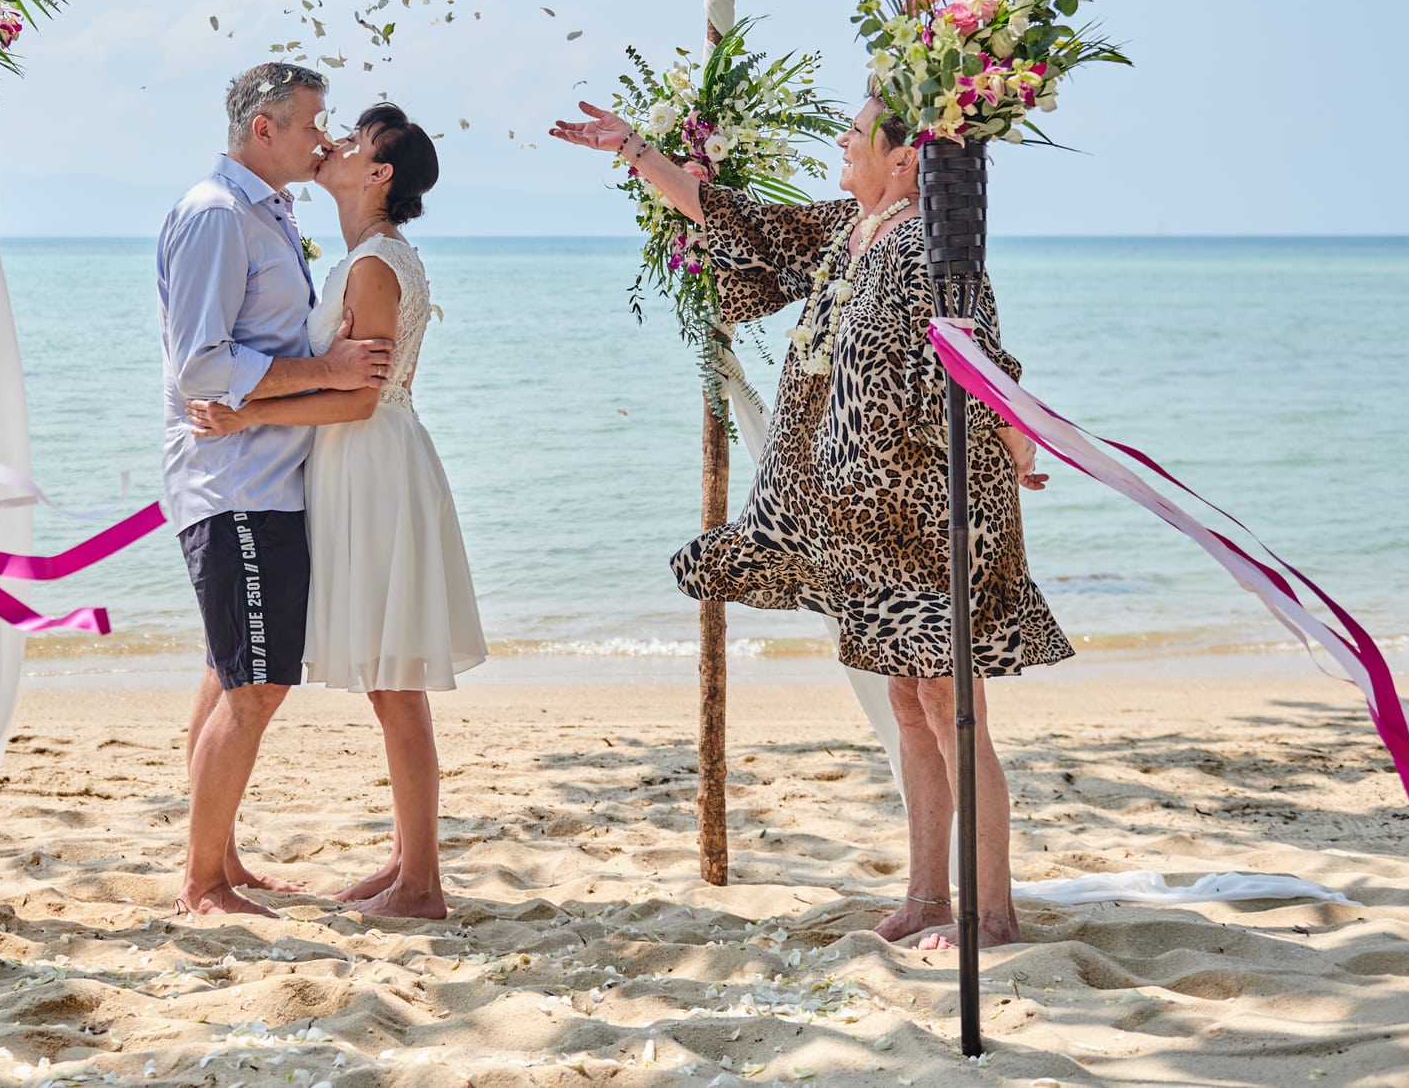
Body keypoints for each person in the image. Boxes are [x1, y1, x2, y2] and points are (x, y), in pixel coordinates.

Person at [551, 90, 1070, 951]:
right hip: (870, 530)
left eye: (857, 129)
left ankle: (994, 913)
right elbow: (742, 223)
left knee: (952, 709)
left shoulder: (932, 246)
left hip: (933, 519)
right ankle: (927, 897)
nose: (841, 137)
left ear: (905, 158)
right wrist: (640, 152)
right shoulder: (849, 229)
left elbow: (980, 354)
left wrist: (1018, 440)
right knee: (909, 707)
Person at [188, 104, 484, 919]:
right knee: (393, 680)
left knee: (396, 682)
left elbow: (356, 401)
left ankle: (420, 882)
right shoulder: (369, 258)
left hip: (373, 466)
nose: (335, 147)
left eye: (352, 143)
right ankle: (404, 865)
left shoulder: (374, 267)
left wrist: (246, 416)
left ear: (379, 173)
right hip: (365, 466)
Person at [157, 63, 398, 917]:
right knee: (256, 686)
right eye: (309, 125)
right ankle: (202, 881)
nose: (322, 139)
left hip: (266, 477)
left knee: (231, 677)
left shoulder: (272, 209)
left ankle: (217, 856)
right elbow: (203, 366)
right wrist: (326, 370)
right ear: (264, 128)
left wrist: (313, 383)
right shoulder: (218, 217)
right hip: (237, 484)